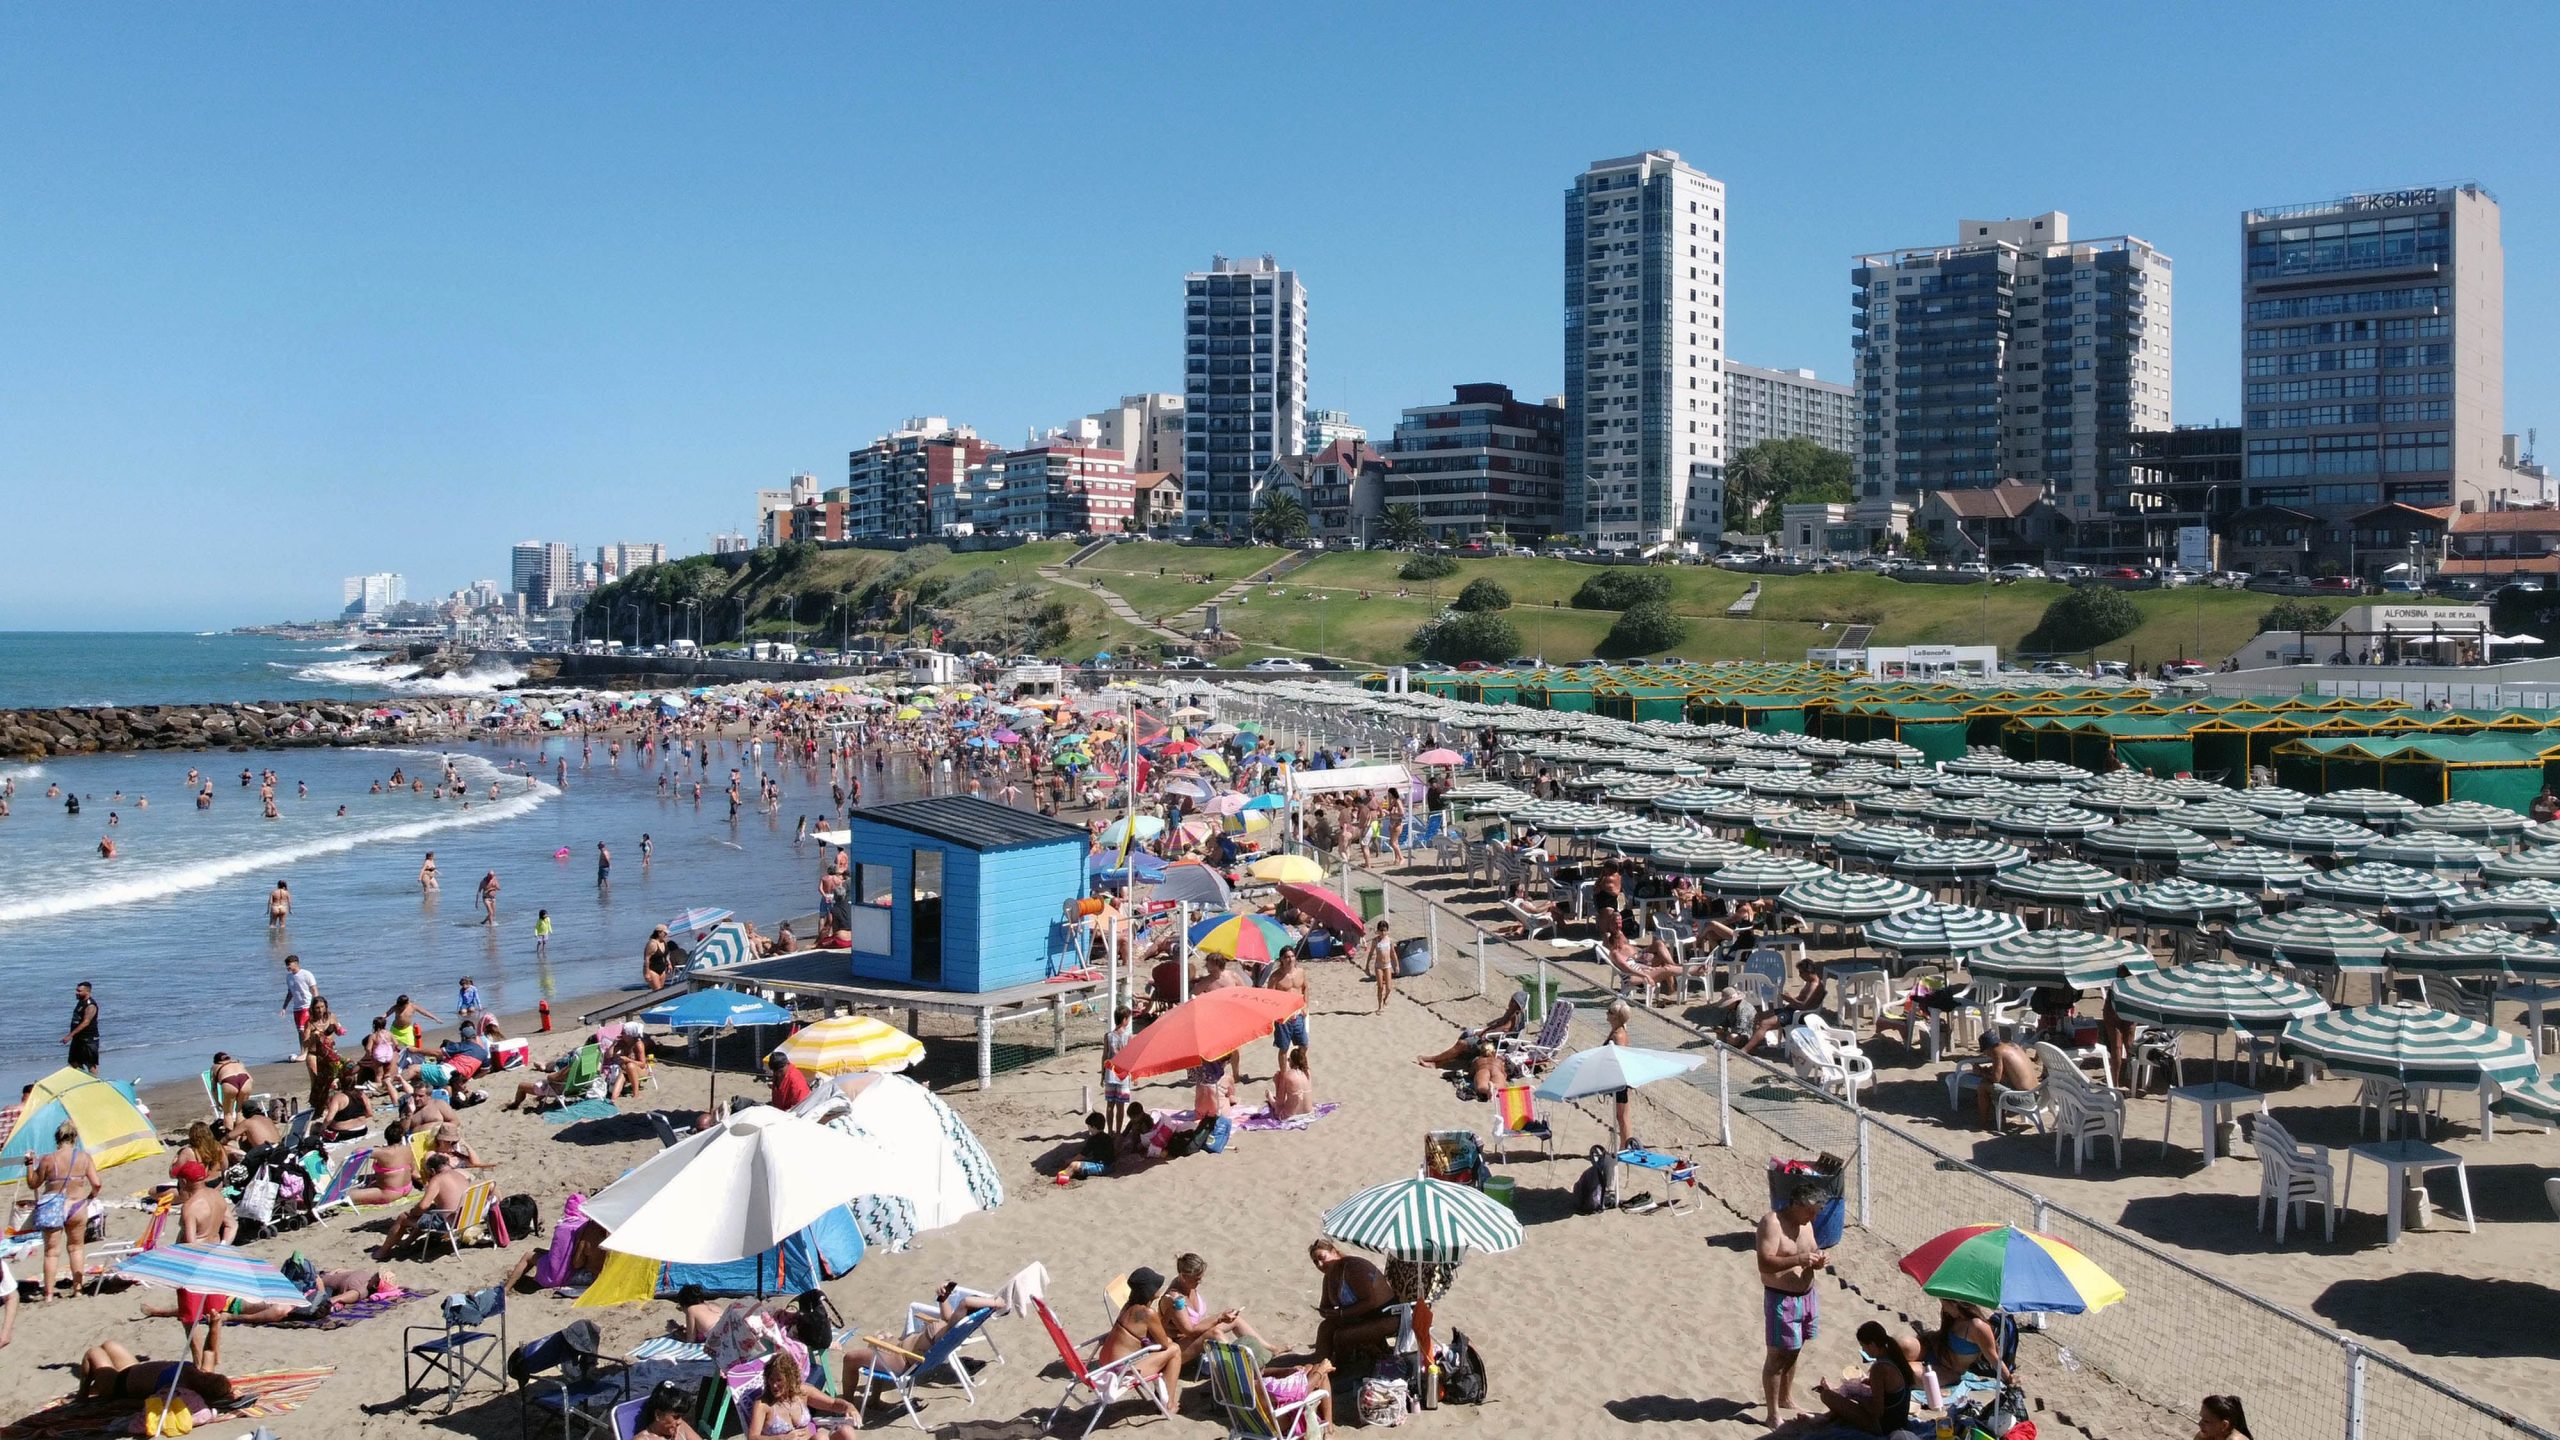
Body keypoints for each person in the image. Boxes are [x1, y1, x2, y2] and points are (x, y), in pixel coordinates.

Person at [1755, 1181, 1830, 1427]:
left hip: (1807, 1296)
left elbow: (1812, 1249)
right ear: (1796, 1204)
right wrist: (1798, 1259)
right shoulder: (1771, 1223)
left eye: (1816, 1212)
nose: (1813, 1217)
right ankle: (1772, 1414)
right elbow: (1765, 1263)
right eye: (1810, 1211)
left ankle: (1786, 1398)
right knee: (1777, 1358)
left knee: (1795, 1349)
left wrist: (1818, 1260)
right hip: (1781, 1299)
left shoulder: (1806, 1223)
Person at [1088, 1267, 1185, 1410]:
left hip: (1106, 1363)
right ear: (1150, 1291)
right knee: (1174, 1349)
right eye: (1157, 1286)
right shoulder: (1147, 1313)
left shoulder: (1128, 1306)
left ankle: (1162, 1394)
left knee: (1167, 1348)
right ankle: (1169, 1404)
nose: (1160, 1288)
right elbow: (1164, 1343)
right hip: (1121, 1372)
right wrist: (1171, 1313)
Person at [172, 1159, 237, 1368]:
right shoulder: (217, 1197)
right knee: (214, 1314)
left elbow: (191, 1243)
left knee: (190, 1319)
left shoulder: (190, 1207)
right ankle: (214, 1356)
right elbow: (231, 1224)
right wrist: (224, 1246)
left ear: (184, 1181)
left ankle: (199, 1362)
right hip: (216, 1258)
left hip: (194, 1265)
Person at [1159, 1251, 1273, 1370]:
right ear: (1183, 1277)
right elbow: (1190, 1331)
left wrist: (1223, 1317)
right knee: (1215, 1333)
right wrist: (1219, 1318)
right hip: (1178, 1348)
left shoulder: (1187, 1285)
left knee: (1235, 1320)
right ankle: (1238, 1366)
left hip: (1193, 1339)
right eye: (1196, 1279)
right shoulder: (1175, 1299)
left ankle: (1270, 1349)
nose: (1199, 1282)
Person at [25, 1122, 101, 1302]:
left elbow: (32, 1184)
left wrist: (29, 1164)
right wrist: (90, 1197)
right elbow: (97, 1183)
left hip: (53, 1207)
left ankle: (49, 1294)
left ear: (57, 1139)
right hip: (77, 1205)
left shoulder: (48, 1159)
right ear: (75, 1138)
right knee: (76, 1248)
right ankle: (78, 1290)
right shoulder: (84, 1157)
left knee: (51, 1252)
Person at [1814, 1320, 1921, 1436]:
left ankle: (1825, 1417)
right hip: (1900, 1421)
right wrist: (1870, 1384)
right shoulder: (1895, 1357)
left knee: (1827, 1395)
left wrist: (1858, 1397)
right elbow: (1891, 1388)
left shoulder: (1879, 1368)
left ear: (1872, 1345)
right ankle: (1827, 1416)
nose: (1863, 1350)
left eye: (1863, 1346)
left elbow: (1877, 1411)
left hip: (1884, 1426)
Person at [1310, 1239, 1397, 1363]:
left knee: (1342, 1336)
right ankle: (1319, 1363)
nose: (1320, 1264)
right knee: (1325, 1327)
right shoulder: (1330, 1275)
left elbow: (1370, 1301)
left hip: (1385, 1315)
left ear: (1334, 1252)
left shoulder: (1353, 1267)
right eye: (1315, 1262)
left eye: (1322, 1258)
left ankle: (1340, 1370)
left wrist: (1341, 1313)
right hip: (1360, 1317)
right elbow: (1324, 1305)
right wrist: (1326, 1312)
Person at [74, 1343, 237, 1408]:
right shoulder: (200, 1373)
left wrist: (117, 1403)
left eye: (207, 1378)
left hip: (118, 1384)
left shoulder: (179, 1389)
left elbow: (147, 1403)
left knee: (93, 1352)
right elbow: (209, 1352)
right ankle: (96, 1388)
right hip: (132, 1369)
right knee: (109, 1344)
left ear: (203, 1387)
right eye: (210, 1375)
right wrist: (215, 1323)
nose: (206, 1374)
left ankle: (82, 1395)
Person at [374, 1153, 468, 1259]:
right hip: (467, 1216)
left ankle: (382, 1251)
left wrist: (413, 1212)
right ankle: (407, 1242)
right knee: (428, 1212)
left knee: (403, 1217)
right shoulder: (460, 1174)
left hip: (450, 1222)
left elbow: (423, 1206)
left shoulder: (437, 1180)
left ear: (432, 1170)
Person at [745, 1350, 853, 1440]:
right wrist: (782, 1438)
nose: (774, 1385)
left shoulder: (802, 1393)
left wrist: (850, 1407)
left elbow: (833, 1404)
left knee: (846, 1432)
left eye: (779, 1380)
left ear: (789, 1379)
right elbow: (752, 1437)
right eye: (771, 1379)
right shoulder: (763, 1404)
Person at [1925, 1298, 2012, 1388]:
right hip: (1935, 1354)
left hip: (1949, 1370)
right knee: (1908, 1345)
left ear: (1955, 1303)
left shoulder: (1977, 1326)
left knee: (1912, 1373)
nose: (1945, 1309)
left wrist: (2009, 1380)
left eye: (1945, 1305)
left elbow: (1992, 1357)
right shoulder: (1954, 1319)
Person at [1972, 1034, 2040, 1133]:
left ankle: (1983, 1122)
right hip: (2038, 1094)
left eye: (1986, 1053)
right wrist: (1988, 1071)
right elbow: (2009, 1072)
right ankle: (1999, 1117)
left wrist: (1980, 1072)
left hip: (2025, 1099)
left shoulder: (1997, 1051)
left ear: (1988, 1049)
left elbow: (1996, 1079)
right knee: (2000, 1084)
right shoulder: (2013, 1046)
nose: (1988, 1056)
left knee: (1983, 1086)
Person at [349, 1127, 416, 1207]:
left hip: (390, 1193)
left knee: (348, 1196)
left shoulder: (383, 1152)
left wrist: (377, 1149)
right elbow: (412, 1169)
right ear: (401, 1138)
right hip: (407, 1187)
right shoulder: (408, 1149)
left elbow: (357, 1151)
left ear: (386, 1137)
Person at [1100, 1008, 1135, 1131]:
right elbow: (1131, 1057)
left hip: (1110, 1073)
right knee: (1120, 1106)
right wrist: (1134, 1074)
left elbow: (1105, 1056)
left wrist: (1102, 1074)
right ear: (1124, 1019)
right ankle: (1118, 1131)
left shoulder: (1108, 1036)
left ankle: (1110, 1130)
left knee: (1110, 1105)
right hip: (1123, 1075)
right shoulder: (1129, 1037)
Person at [279, 955, 320, 1044]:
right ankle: (303, 1051)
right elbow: (290, 993)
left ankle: (308, 1051)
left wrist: (316, 1004)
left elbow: (314, 989)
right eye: (286, 965)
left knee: (304, 1029)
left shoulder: (306, 974)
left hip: (307, 1005)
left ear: (296, 963)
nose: (287, 967)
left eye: (289, 964)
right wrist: (284, 1008)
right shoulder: (288, 977)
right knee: (300, 1031)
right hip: (296, 1007)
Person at [62, 981, 100, 1074]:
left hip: (89, 1039)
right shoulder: (80, 1002)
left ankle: (94, 1083)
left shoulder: (90, 1005)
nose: (76, 992)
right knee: (73, 1061)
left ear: (87, 992)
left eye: (79, 991)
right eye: (76, 990)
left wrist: (70, 1035)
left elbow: (86, 1022)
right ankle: (83, 1078)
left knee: (90, 1063)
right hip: (78, 1038)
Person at [1268, 1046, 1314, 1121]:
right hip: (1309, 1113)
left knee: (1277, 1109)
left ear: (1292, 1061)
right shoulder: (1307, 1072)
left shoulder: (1287, 1075)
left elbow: (1280, 1101)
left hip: (1290, 1116)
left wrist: (1277, 1083)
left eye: (1289, 1060)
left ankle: (1270, 1098)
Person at [1362, 918, 1396, 1015]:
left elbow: (1393, 953)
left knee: (1389, 988)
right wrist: (1367, 965)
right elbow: (1371, 953)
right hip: (1378, 966)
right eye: (1381, 930)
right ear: (1378, 931)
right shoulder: (1375, 941)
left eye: (1384, 930)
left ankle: (1385, 999)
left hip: (1387, 965)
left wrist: (1396, 965)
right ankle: (1380, 1006)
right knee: (1380, 986)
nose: (1383, 932)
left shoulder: (1389, 940)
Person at [209, 1052, 252, 1123]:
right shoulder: (238, 1063)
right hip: (245, 1080)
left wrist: (217, 1102)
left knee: (228, 1114)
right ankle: (241, 1132)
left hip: (229, 1081)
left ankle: (231, 1133)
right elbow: (251, 1079)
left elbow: (214, 1088)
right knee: (240, 1111)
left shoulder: (215, 1067)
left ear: (217, 1061)